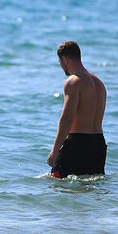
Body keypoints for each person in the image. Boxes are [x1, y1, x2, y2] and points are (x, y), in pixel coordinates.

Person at [47, 41, 107, 178]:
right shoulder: (99, 83)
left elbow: (67, 118)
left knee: (58, 185)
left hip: (78, 144)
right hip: (98, 145)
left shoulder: (74, 81)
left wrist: (55, 151)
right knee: (91, 190)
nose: (60, 65)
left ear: (65, 59)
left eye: (60, 61)